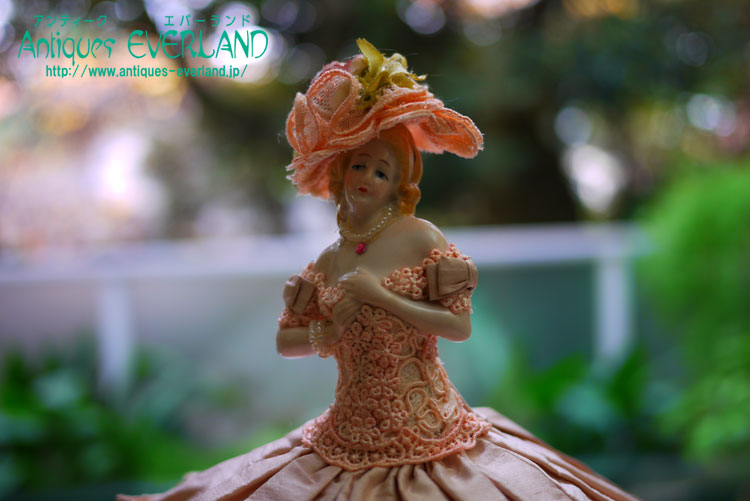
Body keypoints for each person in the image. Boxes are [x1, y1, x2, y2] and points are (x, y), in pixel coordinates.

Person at [118, 39, 638, 501]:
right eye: (360, 165)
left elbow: (458, 326)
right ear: (342, 173)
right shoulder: (329, 259)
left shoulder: (421, 237)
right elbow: (287, 340)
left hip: (432, 432)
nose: (367, 177)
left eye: (382, 170)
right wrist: (328, 331)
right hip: (346, 436)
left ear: (397, 185)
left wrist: (381, 297)